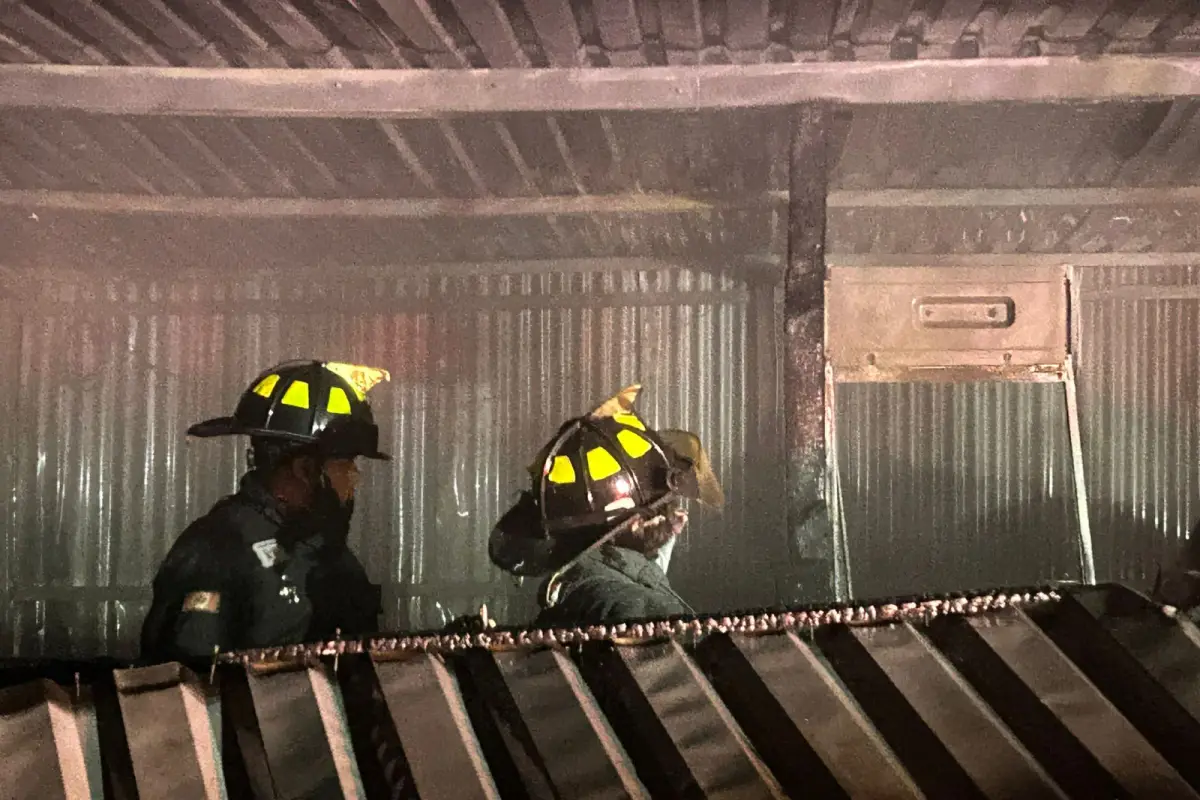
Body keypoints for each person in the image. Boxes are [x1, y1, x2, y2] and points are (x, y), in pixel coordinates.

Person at [141, 359, 391, 662]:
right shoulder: (218, 550)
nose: (354, 478)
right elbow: (189, 683)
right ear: (305, 468)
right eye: (345, 464)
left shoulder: (324, 550)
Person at [488, 385, 723, 628]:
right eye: (663, 506)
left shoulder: (575, 595)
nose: (676, 517)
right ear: (634, 520)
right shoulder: (644, 611)